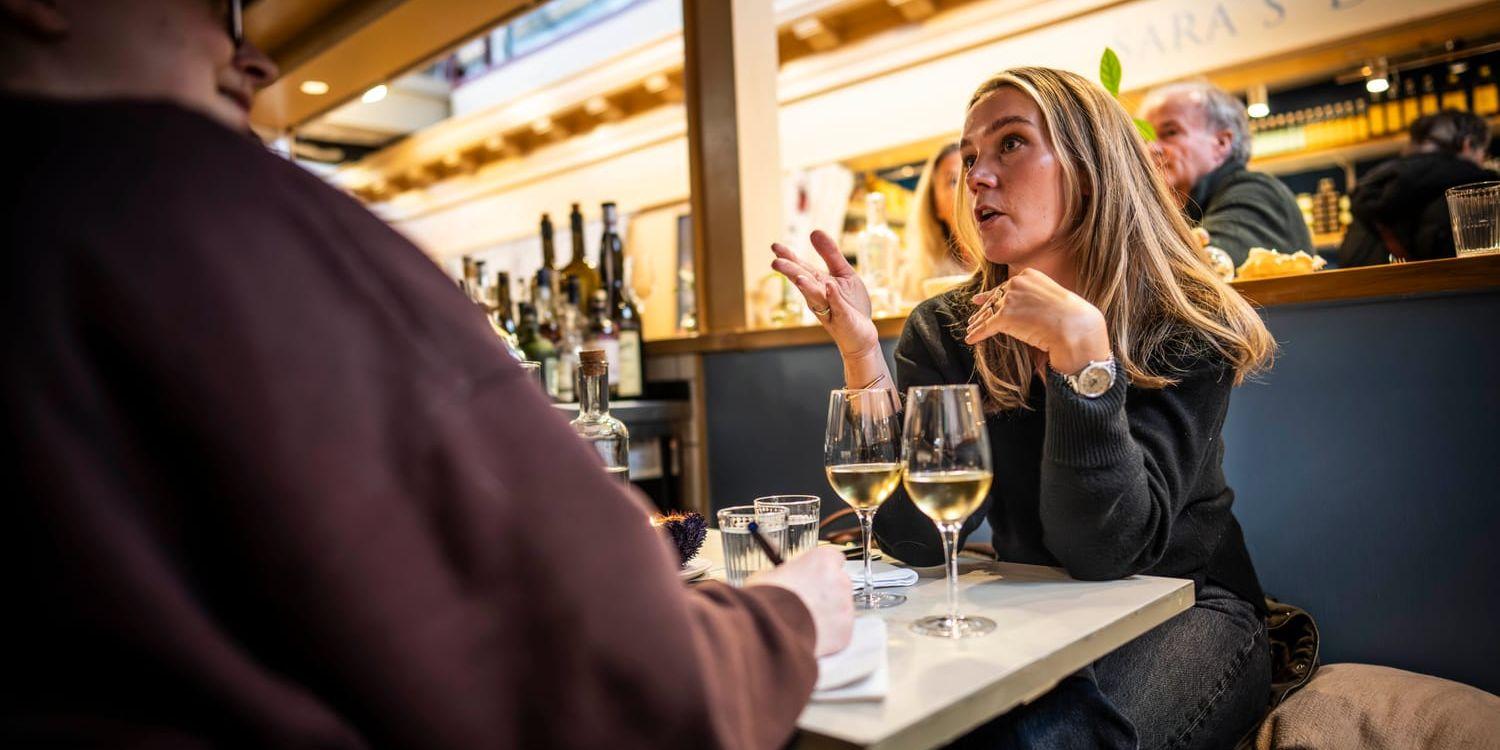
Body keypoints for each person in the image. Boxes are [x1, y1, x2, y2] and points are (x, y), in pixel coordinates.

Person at [1, 0, 853, 746]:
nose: (254, 60)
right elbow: (620, 687)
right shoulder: (194, 203)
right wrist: (789, 616)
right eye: (211, 7)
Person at [772, 67, 1274, 748]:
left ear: (1090, 171)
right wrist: (862, 354)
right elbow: (914, 541)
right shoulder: (948, 328)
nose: (977, 176)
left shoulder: (1183, 323)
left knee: (1047, 738)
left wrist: (1083, 355)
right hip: (1034, 600)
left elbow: (1106, 551)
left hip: (1184, 603)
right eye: (970, 157)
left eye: (1010, 144)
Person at [1139, 80, 1312, 265]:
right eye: (1145, 139)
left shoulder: (1256, 192)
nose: (1151, 148)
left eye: (1170, 132)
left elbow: (1203, 267)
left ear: (1221, 143)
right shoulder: (1181, 208)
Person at [1339, 109, 1498, 266]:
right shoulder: (1472, 182)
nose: (1483, 160)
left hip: (1359, 280)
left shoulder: (1379, 179)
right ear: (1467, 144)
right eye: (1484, 152)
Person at [899, 142, 973, 303]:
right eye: (954, 181)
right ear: (934, 205)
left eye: (972, 174)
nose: (967, 188)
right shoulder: (916, 276)